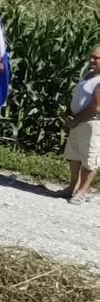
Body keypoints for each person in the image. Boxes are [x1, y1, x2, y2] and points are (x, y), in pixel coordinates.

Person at [64, 45, 100, 204]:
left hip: (92, 123)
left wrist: (77, 119)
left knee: (89, 159)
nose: (91, 60)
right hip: (78, 121)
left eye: (96, 58)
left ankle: (82, 192)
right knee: (74, 156)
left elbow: (97, 107)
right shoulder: (90, 74)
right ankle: (72, 187)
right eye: (91, 56)